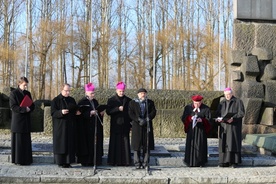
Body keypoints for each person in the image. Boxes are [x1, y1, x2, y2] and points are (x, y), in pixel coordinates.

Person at [51, 83, 80, 168]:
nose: (68, 92)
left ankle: (68, 162)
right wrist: (61, 112)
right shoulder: (55, 100)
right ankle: (61, 162)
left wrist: (77, 112)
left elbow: (74, 109)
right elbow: (53, 112)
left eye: (69, 91)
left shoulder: (72, 100)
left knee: (69, 144)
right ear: (61, 90)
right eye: (66, 91)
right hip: (60, 126)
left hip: (70, 126)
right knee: (61, 144)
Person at [75, 82, 104, 166]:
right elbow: (80, 114)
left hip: (94, 126)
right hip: (85, 127)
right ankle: (86, 161)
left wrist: (100, 113)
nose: (93, 95)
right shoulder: (82, 102)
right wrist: (90, 113)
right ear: (86, 93)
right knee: (86, 144)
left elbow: (97, 110)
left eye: (93, 93)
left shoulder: (95, 102)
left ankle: (95, 160)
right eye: (91, 93)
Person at [216, 87, 245, 168]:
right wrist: (219, 119)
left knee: (232, 143)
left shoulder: (238, 101)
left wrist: (233, 118)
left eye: (229, 94)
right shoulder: (222, 102)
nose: (227, 96)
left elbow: (241, 113)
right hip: (223, 126)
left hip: (233, 126)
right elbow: (217, 113)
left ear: (232, 94)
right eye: (226, 95)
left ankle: (233, 162)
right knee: (223, 143)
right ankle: (223, 162)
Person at [9, 77, 35, 165]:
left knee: (26, 141)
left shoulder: (28, 93)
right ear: (19, 84)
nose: (26, 87)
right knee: (18, 142)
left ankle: (27, 160)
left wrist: (29, 108)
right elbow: (13, 107)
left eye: (26, 85)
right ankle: (18, 160)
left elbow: (32, 105)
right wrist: (24, 109)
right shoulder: (13, 93)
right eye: (24, 85)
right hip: (18, 121)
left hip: (26, 120)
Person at [128, 88, 156, 169]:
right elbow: (130, 113)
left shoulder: (150, 102)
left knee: (146, 145)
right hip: (137, 126)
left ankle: (145, 163)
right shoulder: (132, 103)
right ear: (138, 94)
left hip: (147, 125)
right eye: (141, 93)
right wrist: (138, 119)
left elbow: (153, 112)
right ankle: (137, 163)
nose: (142, 95)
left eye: (144, 93)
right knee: (136, 145)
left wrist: (147, 118)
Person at [181, 95, 211, 167]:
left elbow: (209, 120)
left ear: (201, 102)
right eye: (195, 103)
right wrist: (190, 118)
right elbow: (183, 118)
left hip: (201, 131)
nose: (197, 105)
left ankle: (201, 162)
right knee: (190, 145)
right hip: (191, 130)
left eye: (198, 103)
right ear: (193, 102)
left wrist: (202, 120)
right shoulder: (188, 108)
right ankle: (189, 161)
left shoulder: (206, 108)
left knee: (200, 146)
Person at [106, 81, 132, 166]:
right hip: (115, 125)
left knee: (125, 143)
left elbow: (130, 113)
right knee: (115, 143)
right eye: (120, 91)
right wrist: (117, 109)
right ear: (116, 90)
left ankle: (126, 161)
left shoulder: (128, 100)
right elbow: (108, 111)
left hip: (125, 125)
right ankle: (114, 161)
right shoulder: (111, 100)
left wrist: (131, 124)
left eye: (123, 91)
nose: (121, 93)